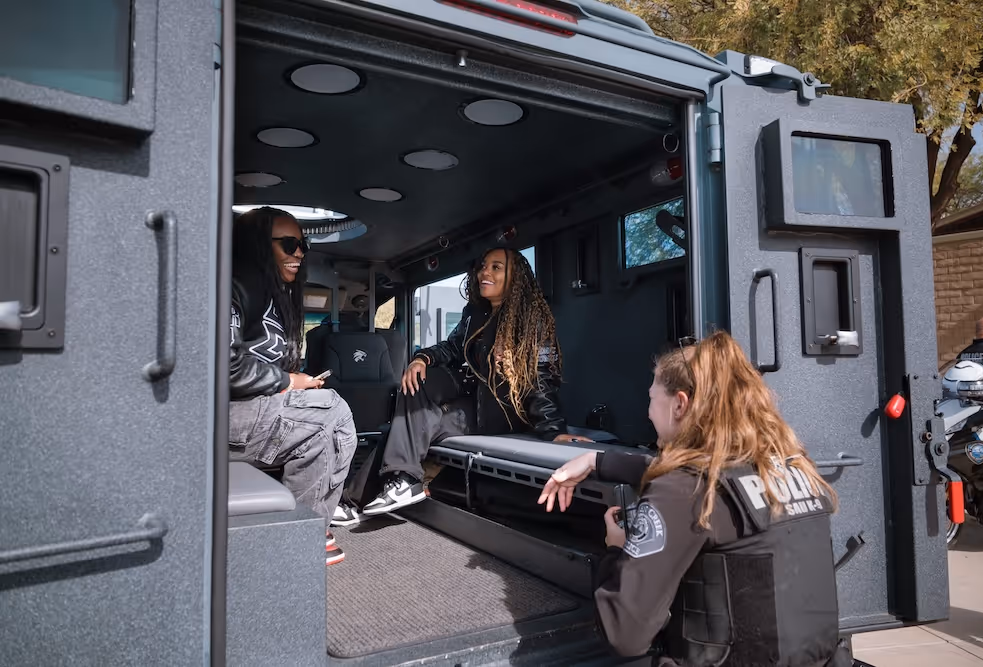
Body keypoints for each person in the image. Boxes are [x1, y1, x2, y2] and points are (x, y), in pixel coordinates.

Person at [538, 331, 849, 667]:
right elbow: (700, 479)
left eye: (651, 398)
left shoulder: (682, 488)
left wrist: (616, 550)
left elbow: (624, 632)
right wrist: (596, 460)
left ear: (680, 404)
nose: (647, 413)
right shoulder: (792, 465)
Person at [353, 247, 590, 518]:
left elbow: (541, 378)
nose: (484, 273)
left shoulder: (531, 321)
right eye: (483, 266)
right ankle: (397, 484)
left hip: (503, 413)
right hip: (473, 405)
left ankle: (356, 499)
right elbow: (451, 348)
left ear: (515, 277)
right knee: (412, 414)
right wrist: (422, 358)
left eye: (496, 267)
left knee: (409, 425)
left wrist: (554, 429)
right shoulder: (474, 313)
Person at [228, 206, 358, 566]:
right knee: (331, 413)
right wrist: (288, 381)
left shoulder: (276, 297)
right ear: (257, 245)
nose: (299, 252)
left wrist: (298, 385)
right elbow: (218, 365)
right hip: (218, 417)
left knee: (324, 409)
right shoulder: (234, 284)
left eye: (302, 244)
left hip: (249, 412)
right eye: (289, 244)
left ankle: (303, 525)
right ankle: (298, 537)